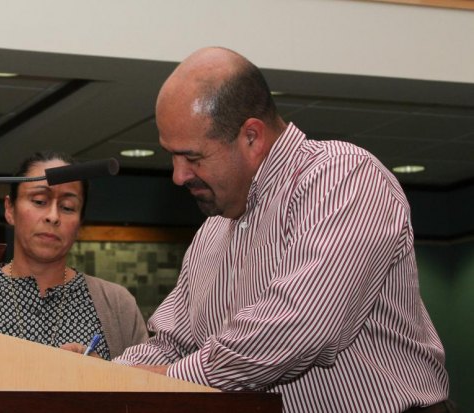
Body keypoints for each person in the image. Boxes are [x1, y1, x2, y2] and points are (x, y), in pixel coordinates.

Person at [114, 47, 453, 412]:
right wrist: (97, 374)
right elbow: (172, 344)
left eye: (193, 157)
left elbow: (301, 326)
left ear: (252, 137)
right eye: (172, 155)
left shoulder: (341, 177)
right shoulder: (214, 228)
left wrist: (170, 383)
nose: (178, 176)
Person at [0, 151, 148, 359]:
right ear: (10, 209)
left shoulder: (117, 304)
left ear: (80, 223)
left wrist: (104, 374)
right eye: (40, 201)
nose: (53, 216)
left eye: (67, 207)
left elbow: (147, 385)